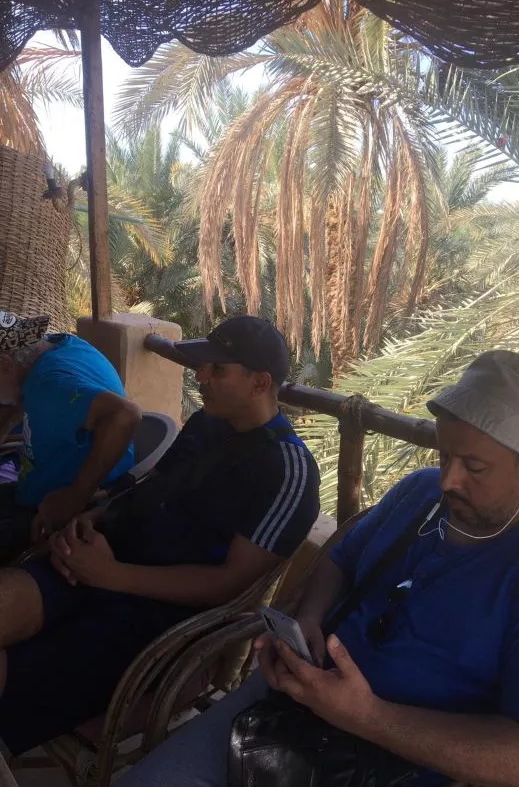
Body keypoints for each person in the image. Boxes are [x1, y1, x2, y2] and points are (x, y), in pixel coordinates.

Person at [117, 350, 519, 787]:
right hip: (291, 704)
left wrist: (366, 715)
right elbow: (340, 559)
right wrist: (308, 620)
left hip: (391, 762)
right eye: (445, 455)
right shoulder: (419, 493)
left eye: (474, 467)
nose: (448, 480)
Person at [0, 315, 320, 755]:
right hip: (102, 565)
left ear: (260, 383)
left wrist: (111, 575)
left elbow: (231, 583)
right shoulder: (206, 425)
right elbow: (153, 489)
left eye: (217, 369)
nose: (200, 376)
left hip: (151, 618)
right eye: (203, 365)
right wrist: (94, 517)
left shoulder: (286, 471)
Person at [0, 311, 140, 562]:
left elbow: (125, 415)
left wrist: (74, 497)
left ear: (5, 364)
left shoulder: (50, 384)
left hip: (65, 512)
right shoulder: (54, 347)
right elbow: (18, 397)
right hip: (33, 488)